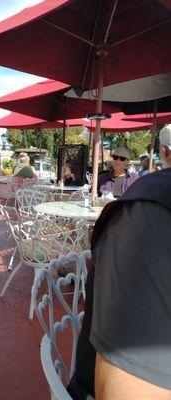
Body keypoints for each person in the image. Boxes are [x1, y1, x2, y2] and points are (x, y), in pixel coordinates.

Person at [67, 125, 171, 399]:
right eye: (115, 157)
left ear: (164, 154)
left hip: (109, 231)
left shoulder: (135, 183)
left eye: (123, 158)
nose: (118, 162)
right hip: (110, 230)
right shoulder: (143, 204)